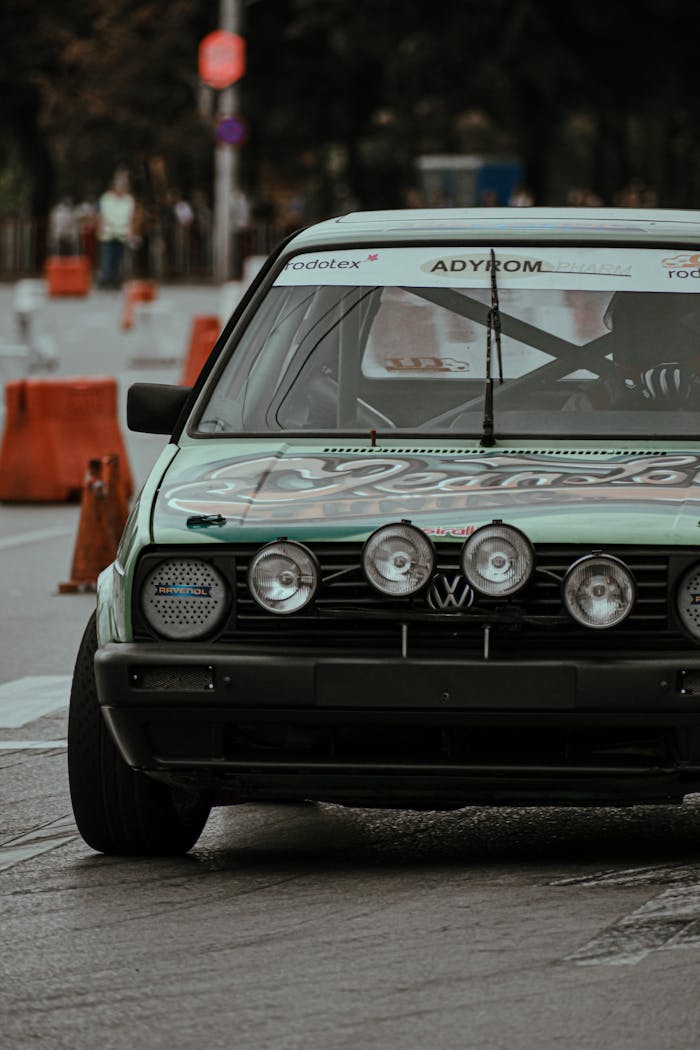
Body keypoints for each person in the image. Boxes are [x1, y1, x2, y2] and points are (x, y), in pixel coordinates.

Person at [96, 171, 135, 289]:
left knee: (119, 259)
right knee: (107, 258)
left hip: (122, 233)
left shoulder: (129, 200)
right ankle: (105, 279)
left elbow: (130, 217)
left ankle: (116, 280)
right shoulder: (106, 198)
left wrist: (130, 231)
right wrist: (100, 228)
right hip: (108, 233)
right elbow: (101, 215)